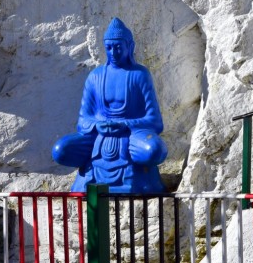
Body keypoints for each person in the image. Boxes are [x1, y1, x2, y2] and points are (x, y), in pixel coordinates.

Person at [52, 18, 167, 193]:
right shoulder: (95, 76)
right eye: (109, 47)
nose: (113, 52)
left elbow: (155, 121)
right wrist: (99, 125)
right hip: (97, 136)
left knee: (155, 150)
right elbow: (83, 121)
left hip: (132, 137)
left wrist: (125, 125)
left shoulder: (140, 75)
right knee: (60, 151)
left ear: (130, 46)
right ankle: (90, 177)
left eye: (118, 47)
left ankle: (138, 179)